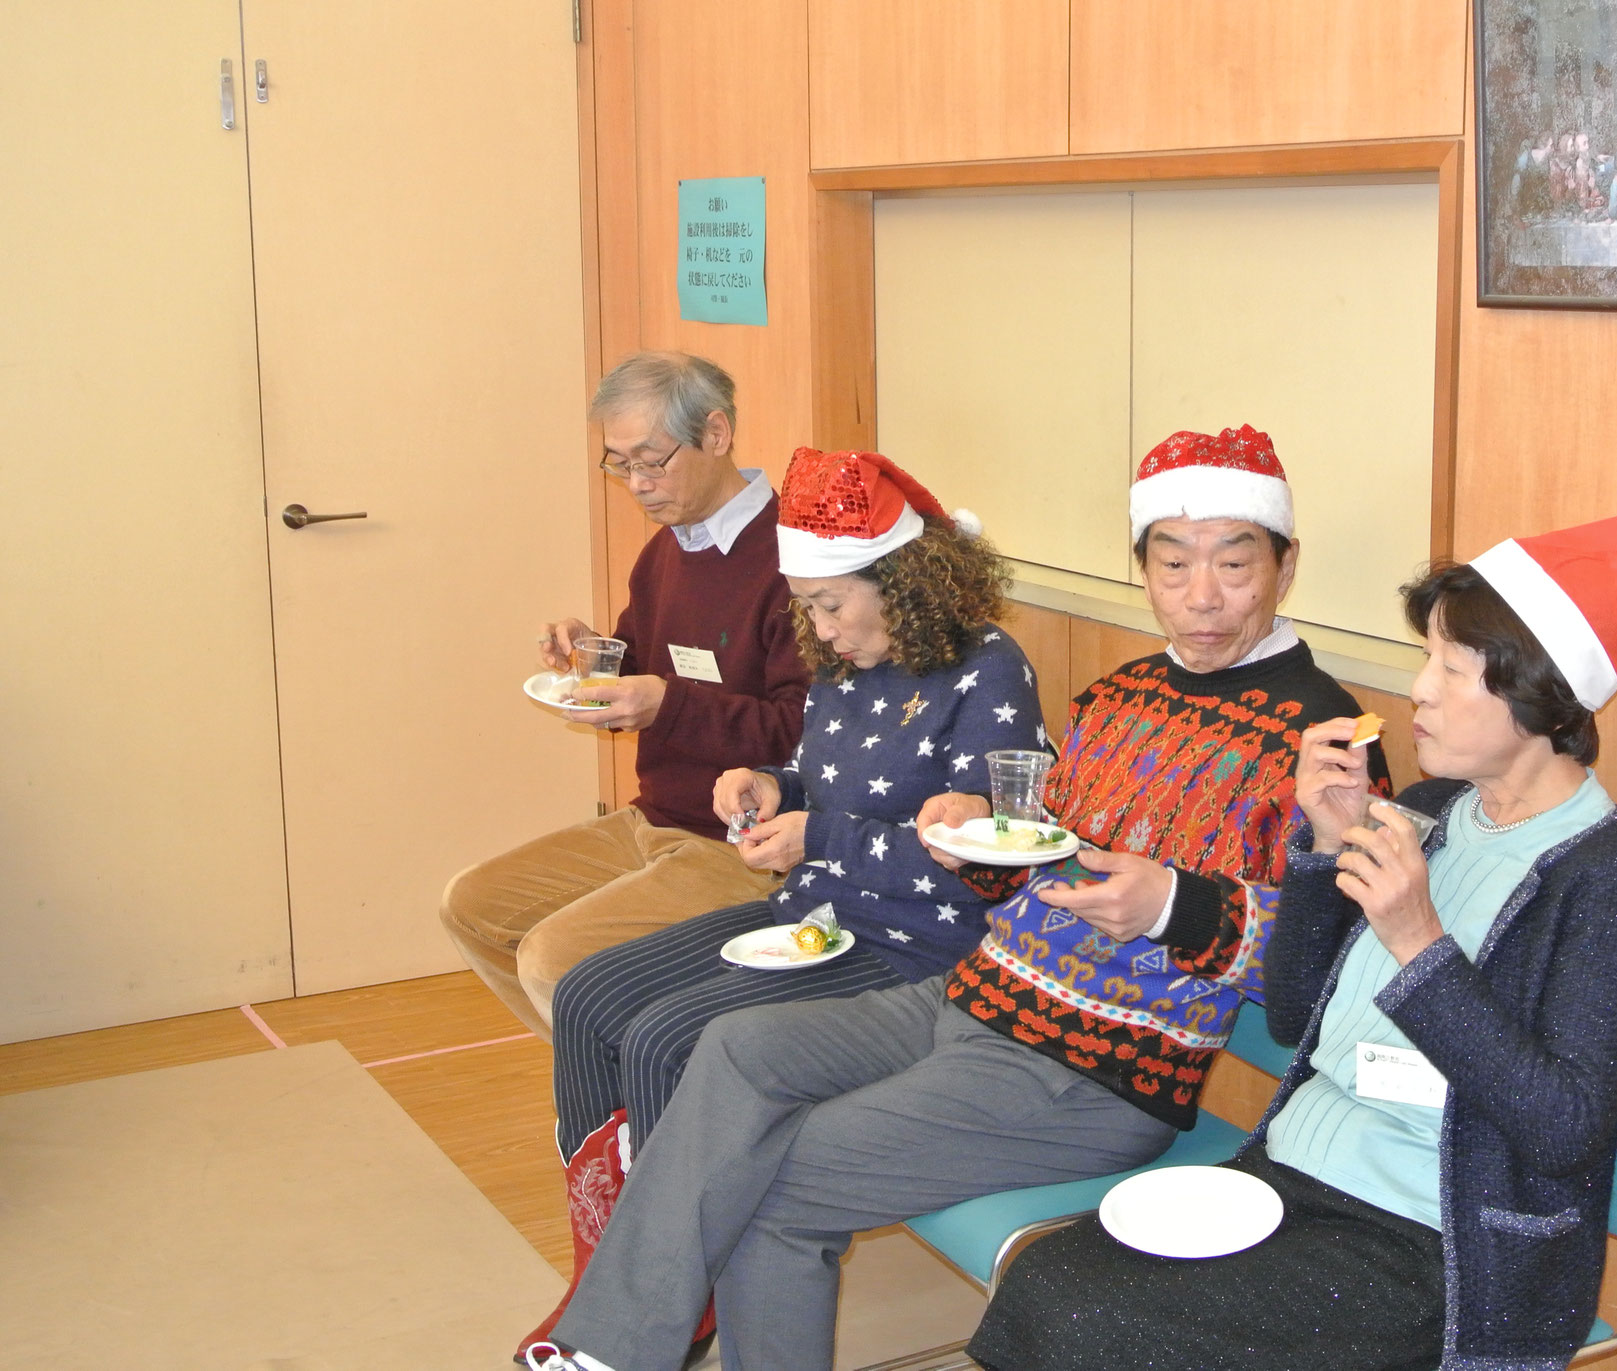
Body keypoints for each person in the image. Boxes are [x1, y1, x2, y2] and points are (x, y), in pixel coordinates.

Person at [523, 426, 1393, 1371]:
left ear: (1284, 564)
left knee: (775, 1180)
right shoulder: (1119, 696)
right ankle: (603, 1349)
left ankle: (622, 1350)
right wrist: (972, 825)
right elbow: (1028, 857)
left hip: (1092, 1069)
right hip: (972, 999)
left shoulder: (1327, 741)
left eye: (1234, 562)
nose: (1203, 594)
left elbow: (1325, 983)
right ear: (1143, 569)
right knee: (732, 1047)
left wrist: (1173, 905)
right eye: (1174, 563)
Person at [967, 491, 1617, 1371]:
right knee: (1054, 1277)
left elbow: (1565, 1130)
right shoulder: (1429, 811)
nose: (1420, 689)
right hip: (1293, 1175)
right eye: (1427, 657)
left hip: (1438, 1240)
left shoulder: (1609, 879)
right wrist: (1323, 845)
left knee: (1096, 1321)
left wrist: (1418, 942)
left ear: (1543, 696)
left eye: (1453, 669)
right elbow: (1291, 1017)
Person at [515, 446, 1045, 1362]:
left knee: (664, 1036)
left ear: (902, 579)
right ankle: (620, 1267)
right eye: (806, 606)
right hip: (819, 915)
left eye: (832, 602)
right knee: (591, 995)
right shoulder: (845, 660)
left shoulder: (984, 669)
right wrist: (767, 783)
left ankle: (674, 1295)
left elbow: (985, 862)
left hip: (921, 949)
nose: (821, 627)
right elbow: (818, 772)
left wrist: (820, 835)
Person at [440, 353, 808, 1037]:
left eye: (651, 461)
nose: (637, 485)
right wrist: (592, 658)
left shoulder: (794, 560)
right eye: (619, 464)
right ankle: (608, 1093)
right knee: (472, 905)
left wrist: (666, 704)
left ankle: (635, 1105)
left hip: (742, 843)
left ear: (718, 434)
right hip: (654, 819)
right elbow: (646, 665)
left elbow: (803, 732)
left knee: (555, 959)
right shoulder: (668, 549)